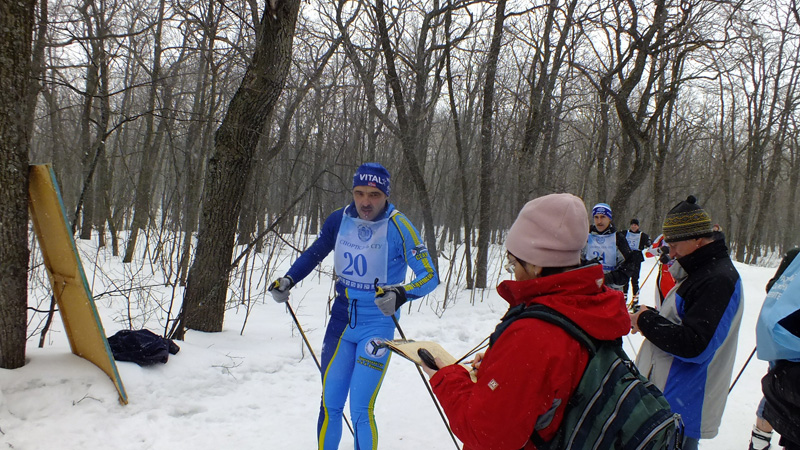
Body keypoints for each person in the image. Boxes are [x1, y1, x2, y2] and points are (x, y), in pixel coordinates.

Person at [419, 193, 631, 450]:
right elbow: (558, 380)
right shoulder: (592, 303)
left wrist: (446, 377)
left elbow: (487, 433)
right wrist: (500, 367)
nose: (514, 273)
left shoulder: (534, 335)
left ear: (537, 265)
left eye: (513, 263)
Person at [269, 162, 439, 450]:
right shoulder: (339, 219)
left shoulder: (399, 226)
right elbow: (315, 252)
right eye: (359, 193)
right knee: (330, 403)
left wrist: (401, 293)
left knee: (360, 409)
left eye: (373, 195)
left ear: (385, 194)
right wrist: (289, 279)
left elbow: (430, 276)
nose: (365, 202)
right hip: (341, 321)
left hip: (378, 325)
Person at [630, 195, 744, 450]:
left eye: (674, 244)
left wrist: (646, 321)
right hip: (667, 400)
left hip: (682, 405)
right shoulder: (700, 271)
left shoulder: (717, 279)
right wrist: (650, 317)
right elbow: (682, 324)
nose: (670, 253)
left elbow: (695, 345)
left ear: (697, 238)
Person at [749, 248, 800, 450]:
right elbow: (773, 288)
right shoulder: (794, 255)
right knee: (777, 388)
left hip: (788, 336)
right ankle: (760, 439)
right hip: (785, 338)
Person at [581, 202, 639, 292]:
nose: (599, 221)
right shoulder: (585, 236)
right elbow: (576, 262)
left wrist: (609, 278)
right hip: (588, 288)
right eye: (596, 217)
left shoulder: (618, 238)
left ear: (609, 218)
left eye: (603, 217)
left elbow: (628, 265)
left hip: (611, 290)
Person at [623, 218, 651, 305]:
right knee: (625, 278)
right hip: (627, 258)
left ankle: (635, 298)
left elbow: (649, 243)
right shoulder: (625, 233)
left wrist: (650, 245)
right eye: (632, 225)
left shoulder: (642, 235)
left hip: (637, 257)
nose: (633, 227)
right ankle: (624, 297)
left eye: (635, 225)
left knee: (635, 279)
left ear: (638, 226)